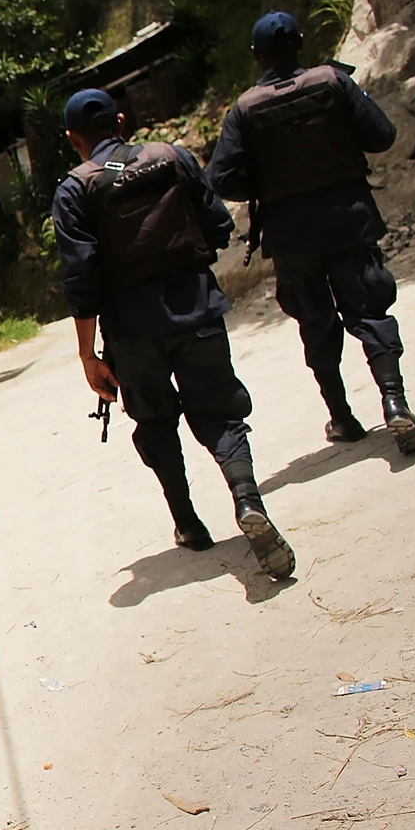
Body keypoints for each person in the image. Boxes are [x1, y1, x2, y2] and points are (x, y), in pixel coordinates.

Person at [53, 88, 296, 579]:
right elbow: (219, 225)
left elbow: (82, 281)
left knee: (156, 423)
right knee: (221, 415)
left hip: (131, 333)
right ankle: (249, 502)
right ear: (121, 121)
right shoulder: (173, 158)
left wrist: (87, 355)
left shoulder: (75, 190)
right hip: (196, 310)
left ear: (71, 138)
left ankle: (188, 524)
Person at [207, 10, 415, 455]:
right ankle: (394, 402)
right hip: (348, 218)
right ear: (299, 44)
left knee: (315, 323)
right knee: (370, 309)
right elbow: (383, 135)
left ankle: (343, 418)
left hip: (291, 235)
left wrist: (267, 184)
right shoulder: (333, 81)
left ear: (256, 56)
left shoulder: (246, 109)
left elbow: (220, 177)